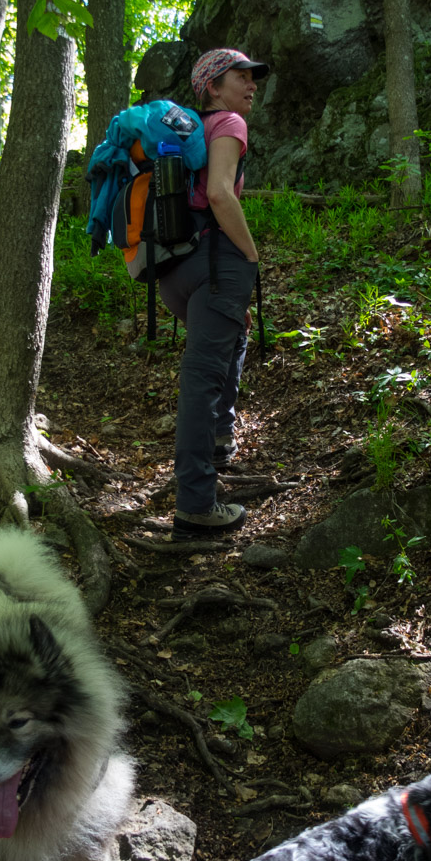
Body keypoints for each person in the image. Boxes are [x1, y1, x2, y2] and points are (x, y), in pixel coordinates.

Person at [160, 48, 269, 539]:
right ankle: (196, 506)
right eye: (238, 77)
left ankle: (220, 439)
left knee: (232, 340)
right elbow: (222, 194)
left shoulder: (184, 133)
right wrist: (250, 256)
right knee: (201, 382)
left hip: (174, 270)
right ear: (212, 87)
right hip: (216, 264)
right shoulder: (228, 124)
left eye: (252, 78)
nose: (250, 85)